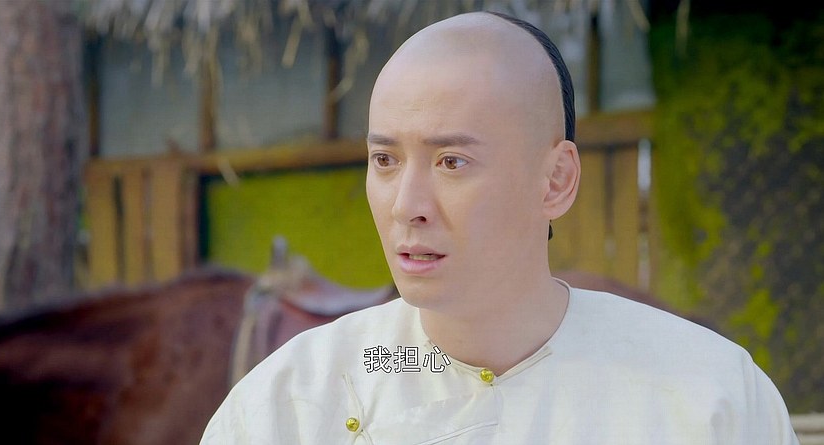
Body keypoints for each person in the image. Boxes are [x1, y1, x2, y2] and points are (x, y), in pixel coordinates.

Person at [200, 11, 799, 444]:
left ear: (556, 180)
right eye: (385, 160)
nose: (407, 205)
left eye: (451, 162)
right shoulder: (288, 406)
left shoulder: (708, 396)